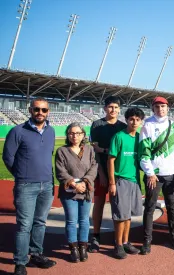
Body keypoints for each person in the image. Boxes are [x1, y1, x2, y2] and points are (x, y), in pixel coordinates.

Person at [3, 98, 57, 275]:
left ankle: (36, 254)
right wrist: (21, 175)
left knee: (40, 222)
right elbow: (8, 157)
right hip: (26, 185)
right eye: (36, 109)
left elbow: (47, 155)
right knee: (24, 225)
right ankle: (20, 262)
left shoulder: (51, 131)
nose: (40, 113)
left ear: (48, 111)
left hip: (47, 184)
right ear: (30, 110)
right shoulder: (17, 131)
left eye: (43, 110)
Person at [139, 96, 174, 254]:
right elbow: (144, 152)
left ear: (168, 108)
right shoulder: (147, 125)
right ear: (153, 108)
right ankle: (147, 240)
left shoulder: (173, 125)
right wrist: (150, 173)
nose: (160, 109)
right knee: (150, 207)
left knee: (172, 208)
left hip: (170, 174)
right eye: (157, 107)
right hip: (154, 176)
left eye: (163, 106)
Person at [55, 123, 98, 263]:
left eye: (78, 133)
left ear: (83, 135)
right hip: (69, 192)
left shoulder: (90, 150)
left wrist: (85, 182)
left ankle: (83, 246)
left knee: (84, 220)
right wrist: (74, 184)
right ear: (68, 135)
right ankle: (73, 248)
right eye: (72, 133)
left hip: (86, 190)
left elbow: (94, 167)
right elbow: (60, 171)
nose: (75, 136)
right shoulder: (62, 151)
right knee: (72, 220)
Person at [88, 96, 127, 252]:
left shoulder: (123, 127)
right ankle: (96, 235)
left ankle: (119, 239)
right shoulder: (97, 125)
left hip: (118, 173)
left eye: (116, 107)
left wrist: (105, 150)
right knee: (99, 203)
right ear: (105, 108)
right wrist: (102, 173)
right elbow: (94, 152)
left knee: (118, 205)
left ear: (119, 109)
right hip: (101, 171)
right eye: (110, 107)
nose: (113, 110)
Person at [107, 107, 145, 259]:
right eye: (131, 119)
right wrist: (112, 182)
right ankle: (118, 245)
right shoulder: (119, 136)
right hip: (120, 180)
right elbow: (111, 160)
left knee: (128, 215)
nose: (134, 122)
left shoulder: (139, 138)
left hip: (134, 181)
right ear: (127, 120)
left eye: (137, 119)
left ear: (141, 121)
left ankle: (126, 241)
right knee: (120, 215)